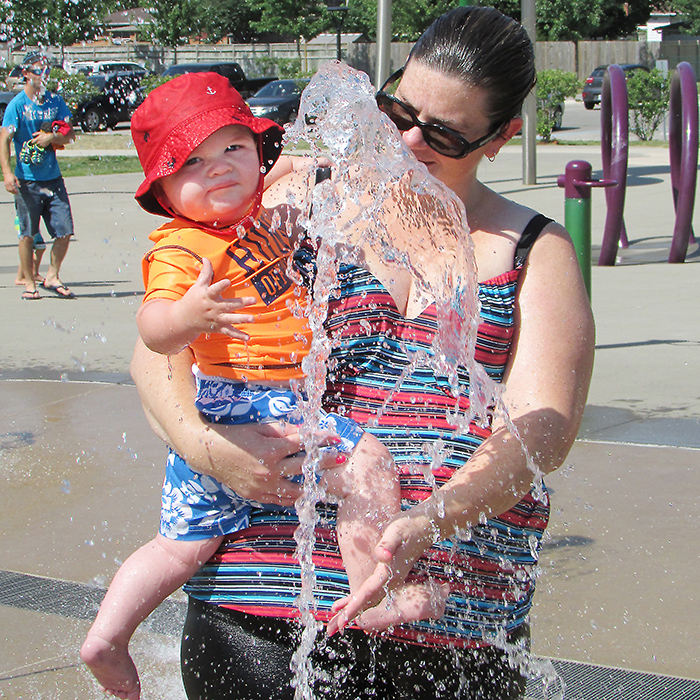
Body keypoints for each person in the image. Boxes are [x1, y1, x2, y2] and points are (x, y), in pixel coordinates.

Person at [130, 7, 595, 699]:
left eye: (442, 132)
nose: (406, 140)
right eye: (396, 109)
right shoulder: (302, 196)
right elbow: (158, 346)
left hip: (457, 615)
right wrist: (205, 448)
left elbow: (544, 427)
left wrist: (438, 514)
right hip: (264, 598)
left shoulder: (533, 249)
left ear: (502, 137)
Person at [80, 72, 445, 700]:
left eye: (232, 150)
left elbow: (302, 163)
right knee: (369, 468)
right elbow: (151, 327)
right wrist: (185, 319)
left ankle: (107, 636)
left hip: (223, 411)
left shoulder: (256, 210)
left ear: (258, 153)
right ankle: (377, 591)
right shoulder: (182, 246)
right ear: (161, 189)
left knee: (180, 547)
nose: (219, 169)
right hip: (257, 397)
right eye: (191, 162)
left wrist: (297, 161)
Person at [0, 52, 76, 300]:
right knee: (27, 234)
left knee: (64, 230)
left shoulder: (55, 102)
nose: (43, 76)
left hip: (53, 178)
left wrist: (52, 137)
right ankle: (29, 282)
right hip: (27, 180)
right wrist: (7, 172)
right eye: (38, 71)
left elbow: (70, 134)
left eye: (46, 71)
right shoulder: (17, 105)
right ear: (26, 74)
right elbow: (5, 140)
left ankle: (53, 275)